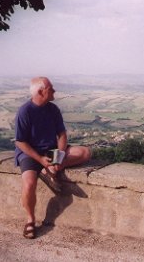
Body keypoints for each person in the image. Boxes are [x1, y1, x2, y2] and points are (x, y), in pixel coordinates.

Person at [14, 76, 91, 239]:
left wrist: (58, 157)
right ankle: (30, 220)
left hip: (51, 152)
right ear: (41, 91)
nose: (54, 90)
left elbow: (62, 135)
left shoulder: (53, 109)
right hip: (30, 153)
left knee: (85, 152)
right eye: (51, 88)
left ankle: (51, 169)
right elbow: (20, 142)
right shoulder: (25, 111)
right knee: (29, 184)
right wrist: (40, 160)